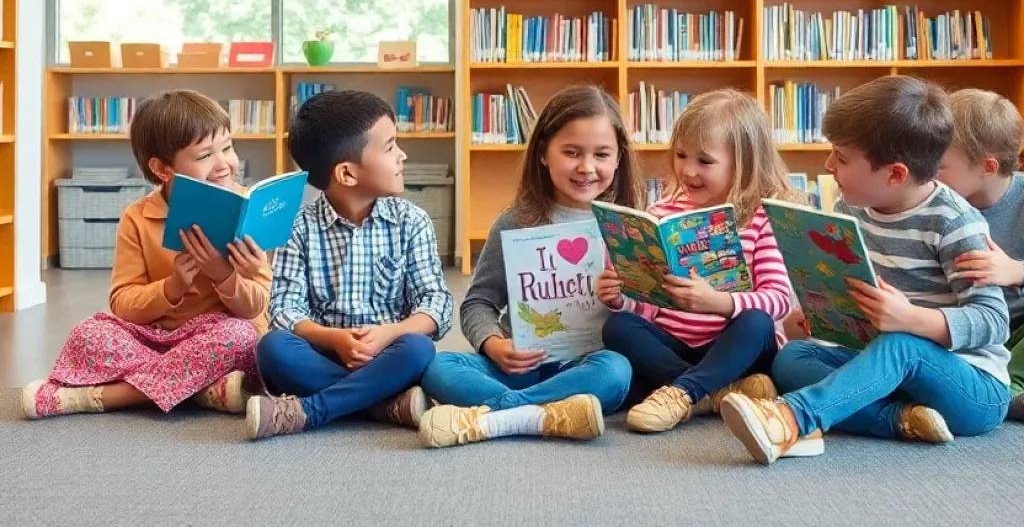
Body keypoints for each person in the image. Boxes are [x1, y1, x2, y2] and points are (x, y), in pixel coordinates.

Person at [721, 77, 1011, 465]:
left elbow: (993, 321)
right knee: (793, 358)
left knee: (902, 344)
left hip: (972, 388)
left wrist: (911, 318)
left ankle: (791, 418)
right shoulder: (850, 210)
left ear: (894, 174)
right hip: (883, 370)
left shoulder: (955, 224)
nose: (828, 165)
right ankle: (901, 420)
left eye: (841, 157)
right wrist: (823, 315)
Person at [22, 90, 269, 419]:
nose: (225, 164)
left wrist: (224, 275)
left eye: (227, 147)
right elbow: (123, 304)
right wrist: (173, 286)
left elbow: (255, 308)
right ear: (163, 168)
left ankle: (106, 397)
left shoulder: (246, 211)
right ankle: (203, 390)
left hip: (220, 334)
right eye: (204, 155)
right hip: (156, 337)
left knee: (240, 338)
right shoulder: (137, 217)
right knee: (89, 334)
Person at [418, 84, 639, 448]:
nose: (587, 167)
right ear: (542, 153)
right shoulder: (515, 221)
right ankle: (544, 415)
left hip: (584, 369)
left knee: (617, 371)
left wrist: (621, 297)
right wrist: (493, 344)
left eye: (601, 154)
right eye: (571, 152)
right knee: (439, 367)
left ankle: (497, 416)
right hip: (517, 366)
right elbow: (479, 302)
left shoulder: (628, 227)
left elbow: (645, 315)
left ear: (618, 159)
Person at [248, 90, 452, 441]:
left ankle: (312, 411)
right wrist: (334, 339)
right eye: (390, 147)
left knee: (419, 348)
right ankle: (384, 404)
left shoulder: (411, 221)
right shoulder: (298, 227)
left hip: (390, 353)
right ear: (347, 173)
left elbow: (437, 305)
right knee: (273, 348)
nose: (402, 155)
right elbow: (283, 309)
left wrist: (387, 333)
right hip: (324, 356)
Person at [600, 90, 796, 433]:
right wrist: (622, 297)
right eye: (680, 155)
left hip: (734, 352)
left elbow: (779, 300)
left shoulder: (762, 219)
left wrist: (719, 302)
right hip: (675, 349)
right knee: (617, 327)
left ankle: (683, 391)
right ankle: (714, 393)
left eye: (705, 161)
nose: (688, 170)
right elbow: (651, 308)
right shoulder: (661, 214)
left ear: (744, 163)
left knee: (757, 322)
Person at [938, 88, 1024, 421]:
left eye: (940, 164)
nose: (928, 170)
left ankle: (1010, 390)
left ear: (987, 166)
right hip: (962, 326)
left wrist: (1014, 271)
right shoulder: (935, 205)